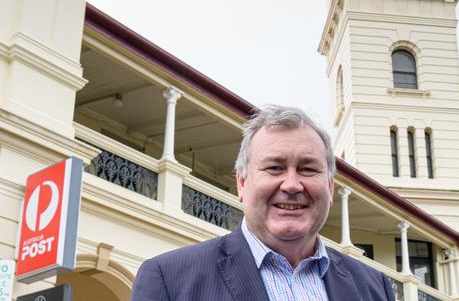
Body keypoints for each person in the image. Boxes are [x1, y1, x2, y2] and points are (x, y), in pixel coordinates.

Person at [130, 105, 395, 301]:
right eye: (275, 168)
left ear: (329, 186)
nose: (292, 185)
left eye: (307, 169)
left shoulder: (374, 288)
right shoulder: (169, 280)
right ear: (242, 183)